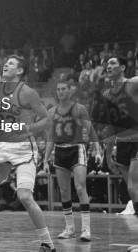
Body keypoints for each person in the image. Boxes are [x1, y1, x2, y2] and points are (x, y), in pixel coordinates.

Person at [0, 55, 55, 252]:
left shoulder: (27, 92)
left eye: (11, 63)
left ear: (20, 71)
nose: (5, 64)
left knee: (24, 196)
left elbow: (47, 120)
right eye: (5, 62)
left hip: (24, 150)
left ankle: (48, 243)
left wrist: (29, 129)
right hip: (3, 148)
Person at [43, 79, 101, 242]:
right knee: (64, 191)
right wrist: (45, 159)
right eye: (58, 89)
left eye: (63, 89)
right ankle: (69, 228)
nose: (60, 91)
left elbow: (90, 130)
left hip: (77, 149)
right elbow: (51, 137)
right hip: (60, 151)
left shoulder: (80, 108)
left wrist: (97, 147)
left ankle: (86, 229)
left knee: (80, 187)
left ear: (70, 91)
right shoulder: (52, 111)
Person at [99, 57, 138, 251]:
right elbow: (110, 126)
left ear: (122, 67)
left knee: (133, 188)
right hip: (122, 144)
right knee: (135, 192)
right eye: (108, 63)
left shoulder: (133, 83)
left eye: (113, 63)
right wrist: (107, 154)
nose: (109, 65)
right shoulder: (107, 94)